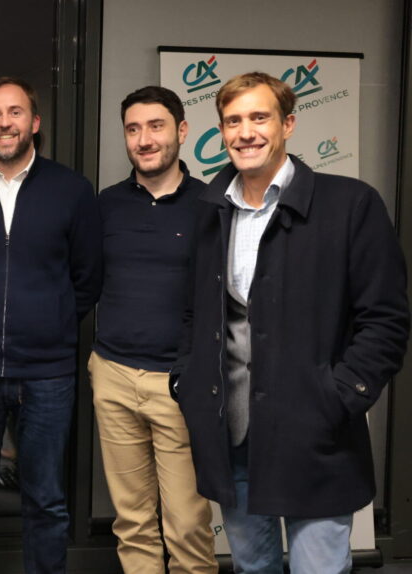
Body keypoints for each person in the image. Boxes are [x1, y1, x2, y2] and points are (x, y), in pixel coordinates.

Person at [173, 71, 410, 573]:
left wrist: (340, 396)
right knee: (252, 567)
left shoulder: (351, 204)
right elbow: (194, 311)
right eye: (233, 121)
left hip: (318, 436)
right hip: (234, 435)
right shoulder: (209, 211)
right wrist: (187, 380)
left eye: (259, 117)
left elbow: (385, 319)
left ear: (288, 125)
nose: (245, 132)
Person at [0, 77, 102, 574]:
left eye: (14, 112)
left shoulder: (72, 190)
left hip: (48, 373)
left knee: (46, 501)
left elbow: (88, 276)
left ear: (34, 121)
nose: (4, 123)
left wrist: (51, 323)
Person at [89, 85, 217, 573]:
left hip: (179, 384)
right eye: (133, 129)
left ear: (181, 131)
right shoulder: (105, 205)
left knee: (187, 525)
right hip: (113, 375)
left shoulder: (211, 205)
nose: (144, 139)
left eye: (156, 126)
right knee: (133, 522)